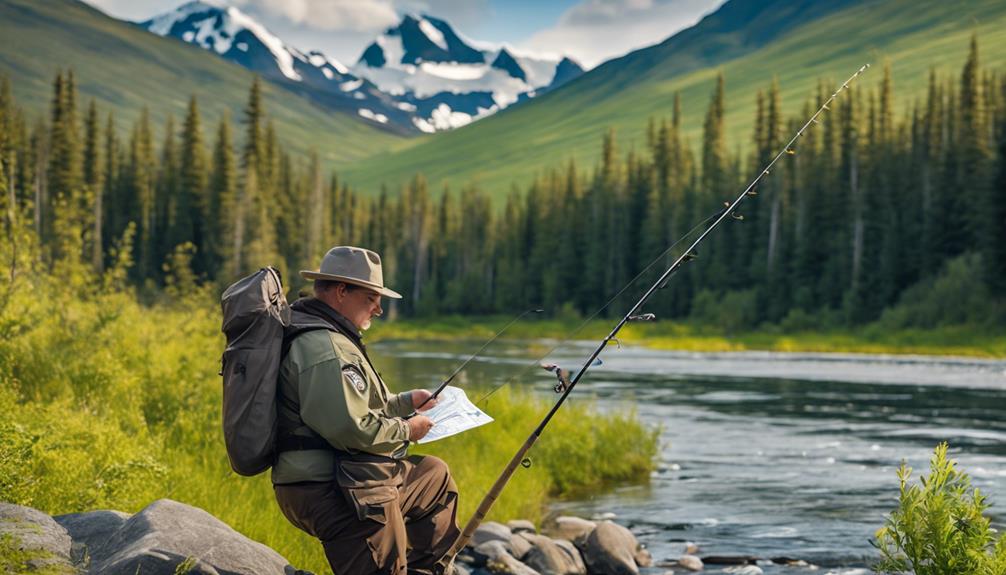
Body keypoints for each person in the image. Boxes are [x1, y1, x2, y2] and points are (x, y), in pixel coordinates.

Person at [272, 245, 460, 575]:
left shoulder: (333, 336)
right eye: (372, 298)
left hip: (350, 477)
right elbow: (352, 429)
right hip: (329, 488)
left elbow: (356, 405)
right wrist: (408, 430)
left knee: (434, 477)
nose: (378, 309)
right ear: (342, 291)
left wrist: (406, 402)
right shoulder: (326, 348)